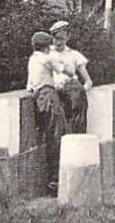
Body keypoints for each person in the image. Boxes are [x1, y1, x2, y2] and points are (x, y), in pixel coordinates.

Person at [25, 31, 63, 188]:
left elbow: (30, 85)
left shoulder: (32, 59)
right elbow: (63, 70)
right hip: (49, 96)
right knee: (57, 135)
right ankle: (55, 178)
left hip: (38, 97)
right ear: (47, 47)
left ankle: (54, 177)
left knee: (49, 134)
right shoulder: (47, 59)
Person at [49, 19, 92, 133]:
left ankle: (78, 137)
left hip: (72, 90)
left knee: (78, 99)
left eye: (61, 39)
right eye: (55, 38)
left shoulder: (74, 55)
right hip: (54, 89)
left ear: (67, 38)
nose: (58, 42)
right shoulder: (46, 55)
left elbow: (88, 81)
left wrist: (82, 90)